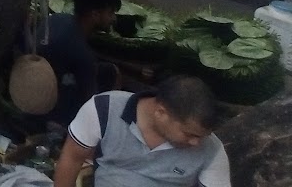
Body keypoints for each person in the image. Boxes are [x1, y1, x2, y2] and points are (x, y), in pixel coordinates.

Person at [53, 77, 228, 187]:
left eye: (201, 136)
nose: (196, 143)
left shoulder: (211, 148)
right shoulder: (104, 109)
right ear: (161, 113)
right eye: (189, 134)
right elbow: (71, 158)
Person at [31, 0, 121, 126]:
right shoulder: (82, 54)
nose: (113, 19)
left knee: (110, 70)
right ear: (95, 14)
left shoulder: (56, 19)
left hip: (37, 85)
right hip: (51, 108)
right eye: (110, 13)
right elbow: (89, 101)